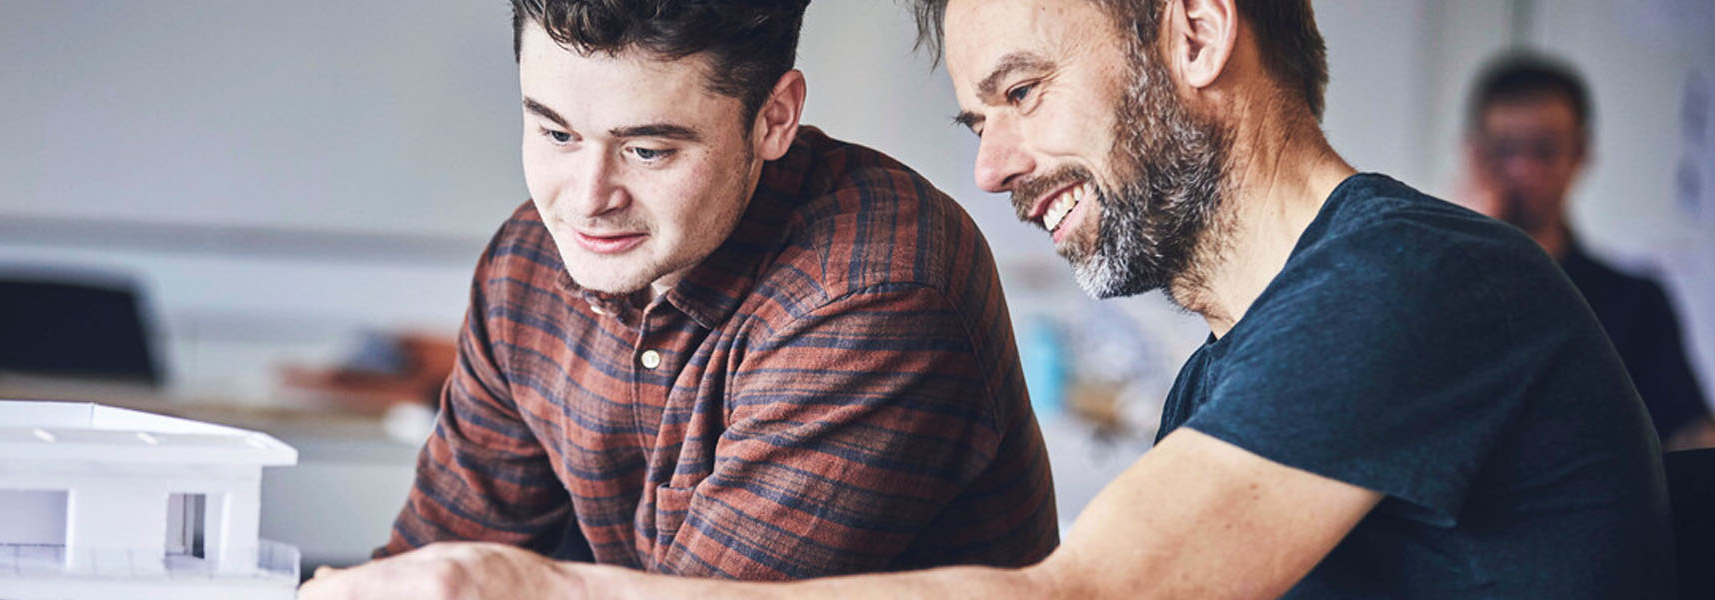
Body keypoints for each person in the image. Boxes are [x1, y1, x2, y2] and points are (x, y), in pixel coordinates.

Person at [298, 0, 1677, 597]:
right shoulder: (1236, 371)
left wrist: (531, 589)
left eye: (1021, 92)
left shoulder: (1410, 281)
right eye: (977, 117)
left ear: (1195, 32)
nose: (992, 166)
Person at [308, 0, 1062, 591]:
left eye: (647, 150)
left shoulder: (873, 294)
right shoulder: (528, 268)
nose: (588, 200)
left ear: (773, 119)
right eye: (557, 135)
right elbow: (429, 568)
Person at [1463, 53, 1715, 450]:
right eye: (1505, 150)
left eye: (1545, 150)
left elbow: (1688, 434)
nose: (1525, 170)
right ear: (1475, 155)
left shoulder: (1634, 303)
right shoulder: (1445, 291)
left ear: (1579, 153)